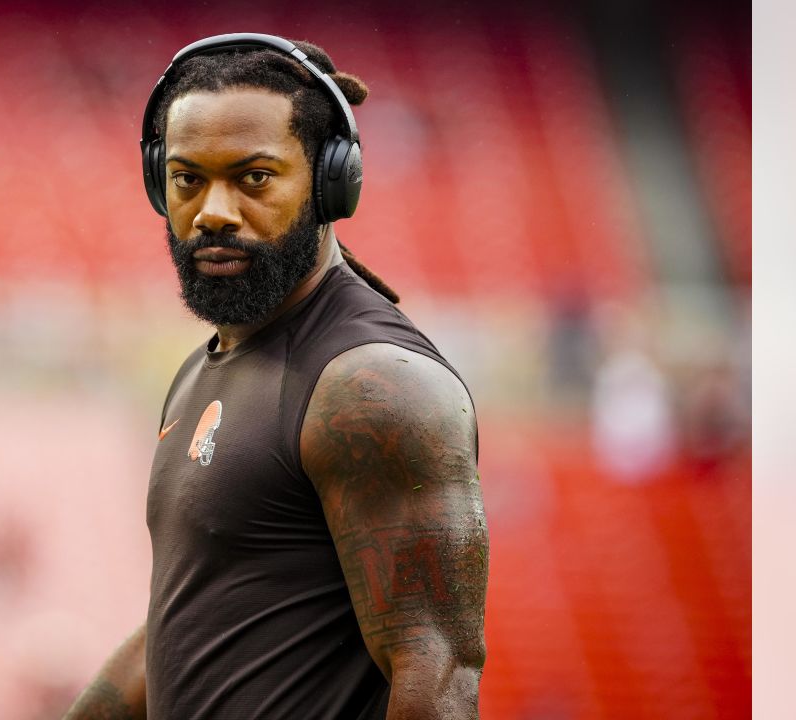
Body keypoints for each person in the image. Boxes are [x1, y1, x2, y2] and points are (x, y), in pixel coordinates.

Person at [65, 34, 487, 720]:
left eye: (253, 177)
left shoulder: (374, 387)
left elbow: (436, 676)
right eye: (187, 178)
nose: (214, 212)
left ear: (330, 182)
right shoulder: (208, 365)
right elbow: (187, 624)